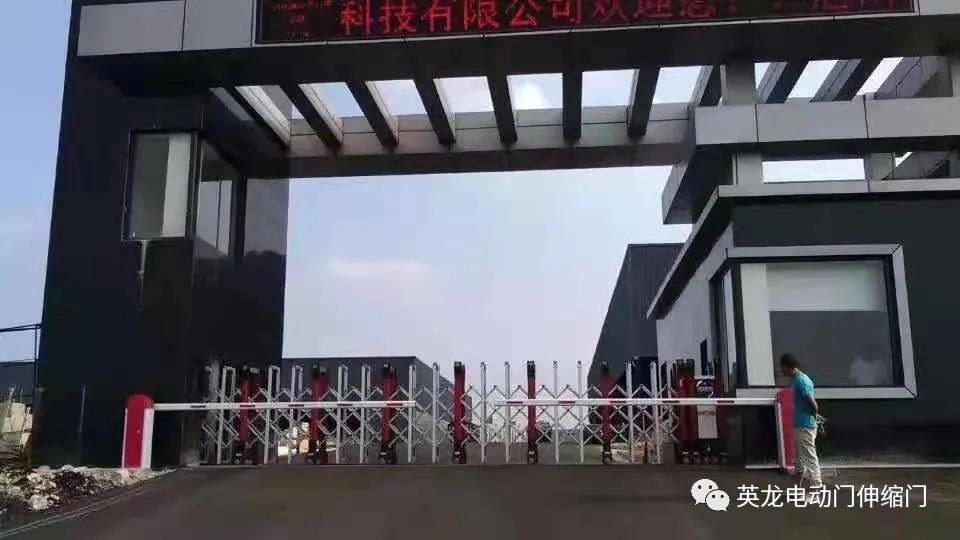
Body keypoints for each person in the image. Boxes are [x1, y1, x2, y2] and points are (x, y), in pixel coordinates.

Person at [779, 353, 823, 490]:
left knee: (809, 459)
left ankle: (816, 488)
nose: (781, 371)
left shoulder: (802, 381)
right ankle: (798, 490)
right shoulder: (796, 380)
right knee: (799, 462)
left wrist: (813, 416)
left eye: (782, 368)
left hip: (805, 426)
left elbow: (813, 404)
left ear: (787, 366)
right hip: (799, 425)